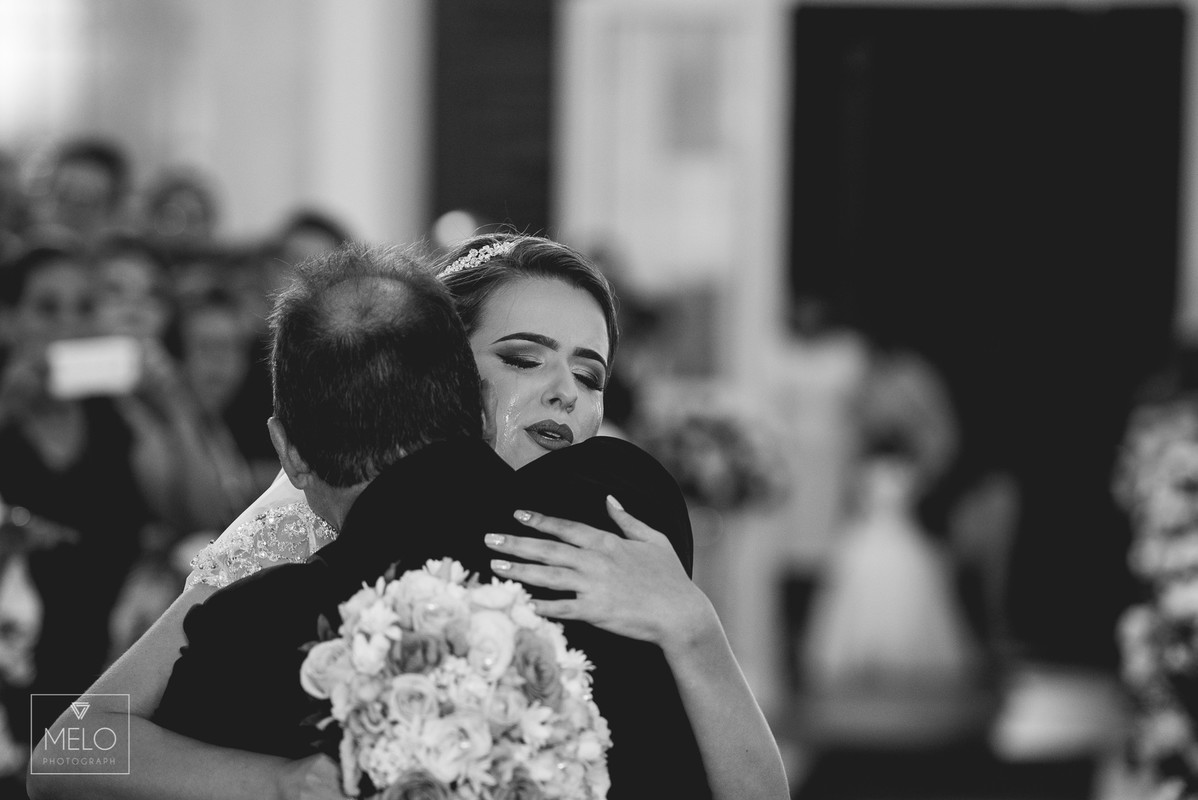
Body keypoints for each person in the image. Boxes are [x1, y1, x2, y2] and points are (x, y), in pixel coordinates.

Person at [29, 237, 786, 800]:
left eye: (590, 375)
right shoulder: (297, 529)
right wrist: (282, 781)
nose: (565, 392)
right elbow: (68, 747)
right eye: (525, 358)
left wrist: (694, 627)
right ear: (441, 367)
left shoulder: (622, 527)